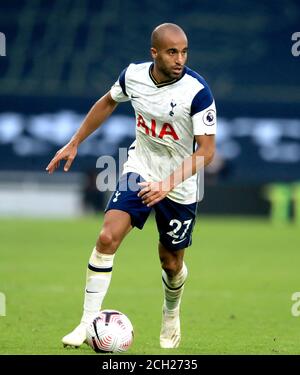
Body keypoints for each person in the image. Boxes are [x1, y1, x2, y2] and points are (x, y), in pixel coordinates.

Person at [46, 23, 216, 349]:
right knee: (107, 237)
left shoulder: (197, 92)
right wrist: (74, 142)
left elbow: (206, 152)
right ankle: (85, 324)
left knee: (171, 262)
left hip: (179, 184)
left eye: (184, 52)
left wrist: (167, 184)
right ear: (155, 53)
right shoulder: (134, 76)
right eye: (171, 52)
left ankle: (171, 310)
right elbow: (108, 101)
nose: (179, 58)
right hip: (140, 168)